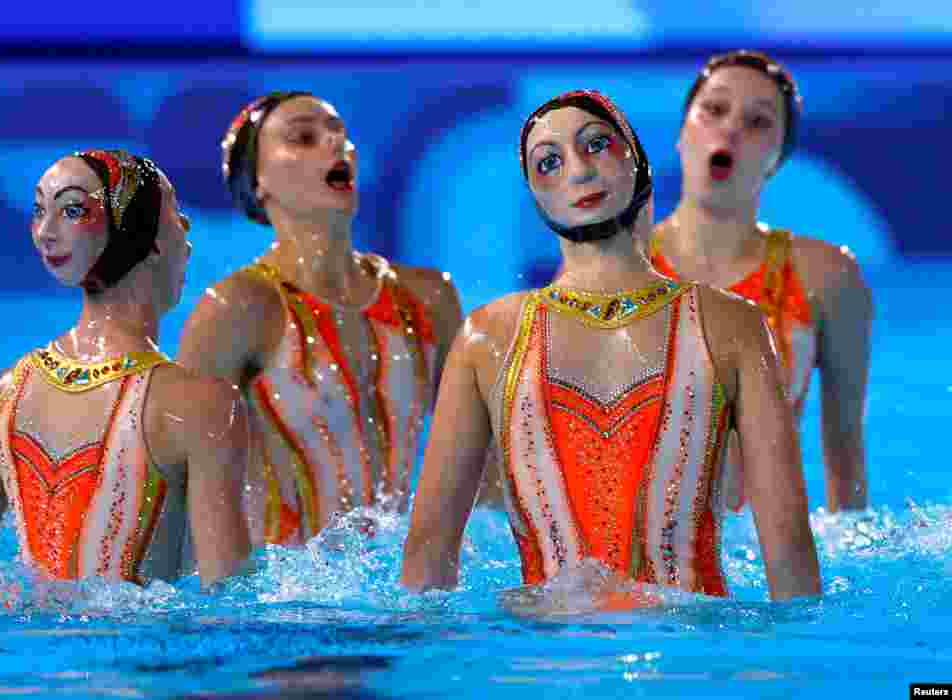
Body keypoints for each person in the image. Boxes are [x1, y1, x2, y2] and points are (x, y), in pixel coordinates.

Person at [401, 90, 821, 602]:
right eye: (549, 163)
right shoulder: (486, 339)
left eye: (596, 144)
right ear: (535, 198)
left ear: (637, 161)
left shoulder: (731, 325)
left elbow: (788, 544)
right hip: (540, 669)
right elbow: (427, 554)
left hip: (693, 659)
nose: (578, 171)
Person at [0, 149, 252, 587]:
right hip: (147, 652)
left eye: (67, 211)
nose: (45, 231)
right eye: (43, 210)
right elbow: (230, 603)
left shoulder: (2, 397)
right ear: (158, 239)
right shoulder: (202, 408)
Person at [178, 92, 462, 546]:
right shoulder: (238, 309)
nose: (336, 144)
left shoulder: (429, 297)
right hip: (286, 602)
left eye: (340, 134)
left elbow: (481, 464)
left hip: (404, 596)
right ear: (258, 182)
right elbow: (185, 479)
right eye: (305, 137)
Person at [648, 50, 872, 512]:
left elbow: (844, 457)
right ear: (681, 132)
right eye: (714, 109)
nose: (730, 128)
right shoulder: (613, 267)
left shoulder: (826, 277)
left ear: (777, 159)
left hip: (758, 553)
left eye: (758, 122)